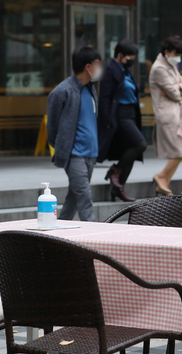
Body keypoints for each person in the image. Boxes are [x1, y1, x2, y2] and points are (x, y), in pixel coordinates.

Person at [47, 46, 102, 222]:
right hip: (75, 155)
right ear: (88, 67)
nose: (100, 68)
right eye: (98, 64)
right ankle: (94, 238)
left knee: (74, 196)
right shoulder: (62, 91)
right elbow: (52, 125)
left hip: (91, 153)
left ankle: (60, 229)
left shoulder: (91, 88)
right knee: (85, 198)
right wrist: (62, 147)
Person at [98, 38, 146, 202]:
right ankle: (115, 171)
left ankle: (118, 189)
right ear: (119, 55)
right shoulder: (111, 70)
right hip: (120, 115)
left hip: (131, 114)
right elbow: (104, 98)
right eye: (129, 57)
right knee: (140, 144)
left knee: (132, 150)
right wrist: (107, 120)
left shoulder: (125, 70)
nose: (132, 60)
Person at [149, 35, 182, 195]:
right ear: (167, 52)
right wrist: (178, 87)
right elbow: (176, 93)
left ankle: (163, 182)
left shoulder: (168, 65)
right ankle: (161, 177)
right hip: (168, 115)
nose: (178, 58)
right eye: (176, 54)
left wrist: (178, 86)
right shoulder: (159, 68)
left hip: (176, 113)